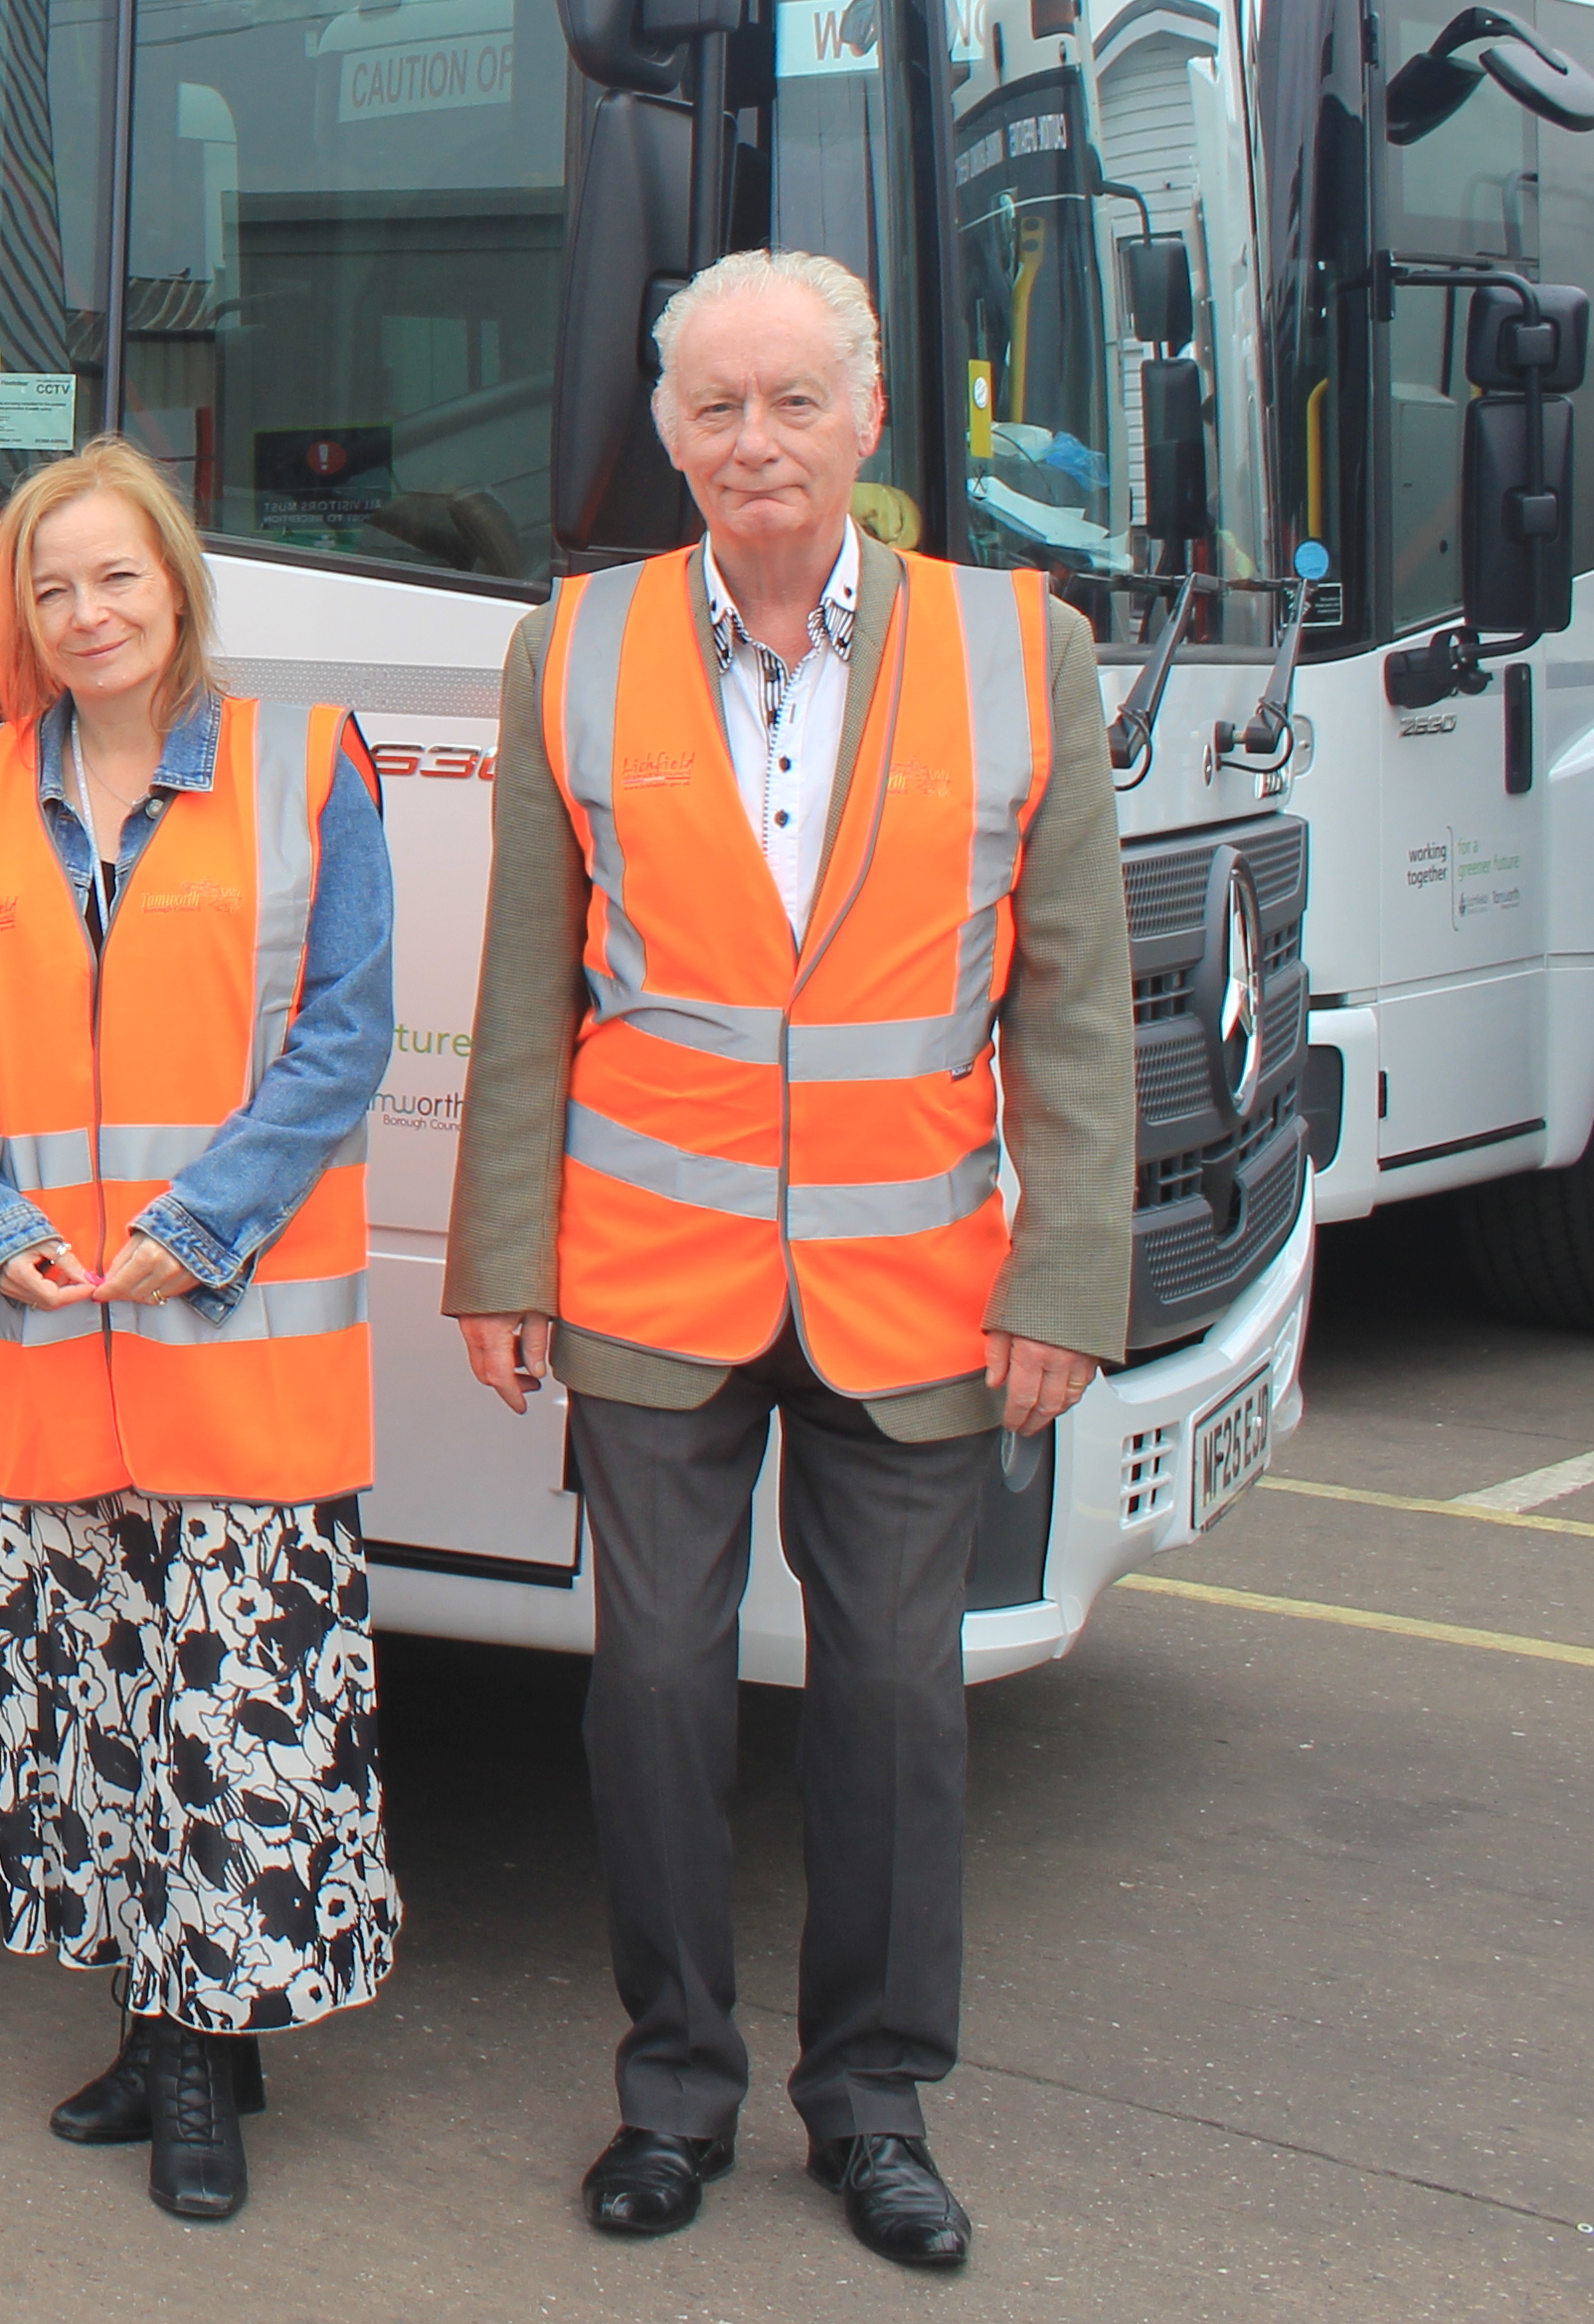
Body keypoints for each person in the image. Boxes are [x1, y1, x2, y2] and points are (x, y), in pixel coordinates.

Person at [444, 250, 1130, 2274]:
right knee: (653, 1690)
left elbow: (1074, 1003)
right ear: (669, 433)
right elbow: (523, 991)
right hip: (651, 1275)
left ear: (872, 419)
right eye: (716, 408)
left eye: (792, 404)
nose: (755, 443)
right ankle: (673, 2091)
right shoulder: (572, 648)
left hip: (922, 1285)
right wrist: (506, 1252)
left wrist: (1067, 1272)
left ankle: (876, 2102)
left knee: (899, 1704)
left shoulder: (1027, 648)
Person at [0, 439, 398, 2226]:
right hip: (54, 1338)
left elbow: (343, 1037)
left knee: (230, 1716)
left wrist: (196, 1227)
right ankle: (163, 2028)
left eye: (115, 577)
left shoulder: (304, 767)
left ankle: (199, 2071)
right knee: (99, 1702)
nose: (85, 614)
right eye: (49, 586)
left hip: (233, 1341)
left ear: (177, 585)